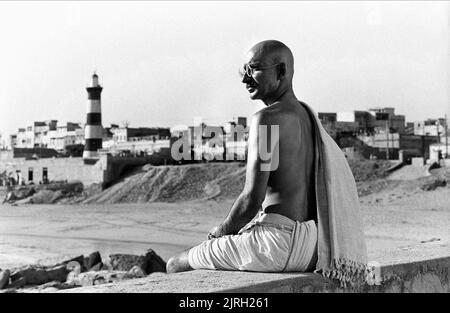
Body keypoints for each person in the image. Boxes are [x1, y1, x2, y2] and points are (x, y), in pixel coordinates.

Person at [167, 41, 367, 286]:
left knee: (176, 263)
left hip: (277, 245)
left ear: (281, 71)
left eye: (254, 69)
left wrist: (218, 234)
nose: (245, 79)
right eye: (245, 71)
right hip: (312, 245)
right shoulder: (307, 117)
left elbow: (251, 199)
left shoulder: (267, 120)